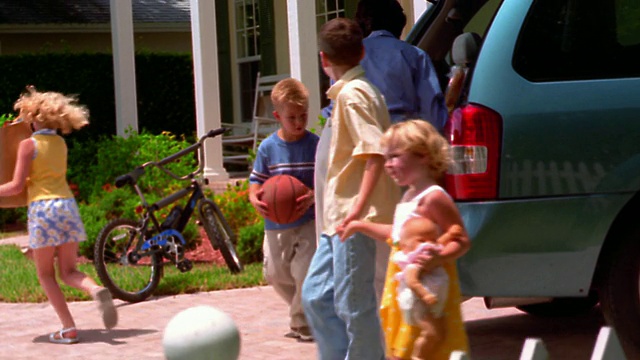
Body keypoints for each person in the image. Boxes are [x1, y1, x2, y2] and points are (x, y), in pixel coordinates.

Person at [301, 18, 400, 360]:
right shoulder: (350, 93)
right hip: (337, 218)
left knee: (353, 305)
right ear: (361, 51)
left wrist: (357, 213)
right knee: (316, 296)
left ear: (323, 58)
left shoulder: (355, 96)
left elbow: (374, 153)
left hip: (352, 217)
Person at [339, 119, 470, 359]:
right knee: (402, 342)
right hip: (403, 285)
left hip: (428, 285)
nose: (387, 165)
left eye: (395, 157)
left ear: (423, 155)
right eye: (386, 158)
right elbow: (397, 237)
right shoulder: (409, 195)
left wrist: (438, 256)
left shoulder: (433, 198)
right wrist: (360, 225)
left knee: (427, 341)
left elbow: (460, 239)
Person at [0, 87, 117, 344]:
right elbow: (45, 176)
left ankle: (68, 328)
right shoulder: (60, 143)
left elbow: (16, 186)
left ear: (34, 116)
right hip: (67, 207)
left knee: (45, 274)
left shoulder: (27, 145)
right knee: (69, 271)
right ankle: (96, 289)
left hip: (43, 210)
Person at [248, 78, 318, 342]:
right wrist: (255, 197)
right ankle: (306, 306)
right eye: (292, 117)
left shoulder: (315, 144)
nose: (299, 122)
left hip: (309, 220)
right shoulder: (268, 148)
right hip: (277, 223)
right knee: (275, 273)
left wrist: (312, 195)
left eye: (303, 115)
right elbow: (255, 180)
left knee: (305, 270)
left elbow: (325, 179)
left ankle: (302, 322)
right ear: (278, 116)